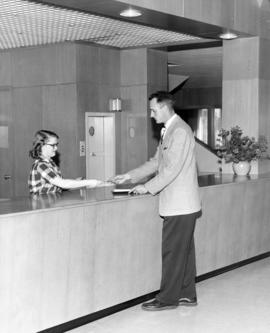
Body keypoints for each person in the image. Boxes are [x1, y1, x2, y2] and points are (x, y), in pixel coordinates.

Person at [112, 91, 201, 311]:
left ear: (164, 107)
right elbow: (156, 162)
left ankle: (167, 299)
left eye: (153, 110)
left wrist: (147, 187)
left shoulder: (179, 131)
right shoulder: (169, 130)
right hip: (182, 205)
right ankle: (187, 294)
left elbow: (171, 169)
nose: (151, 115)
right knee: (184, 252)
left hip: (180, 205)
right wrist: (130, 176)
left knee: (172, 252)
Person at [29, 129, 103, 194]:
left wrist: (75, 181)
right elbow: (62, 184)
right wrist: (91, 182)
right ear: (43, 146)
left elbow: (58, 186)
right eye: (53, 145)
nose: (56, 148)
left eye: (56, 145)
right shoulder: (41, 165)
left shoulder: (50, 163)